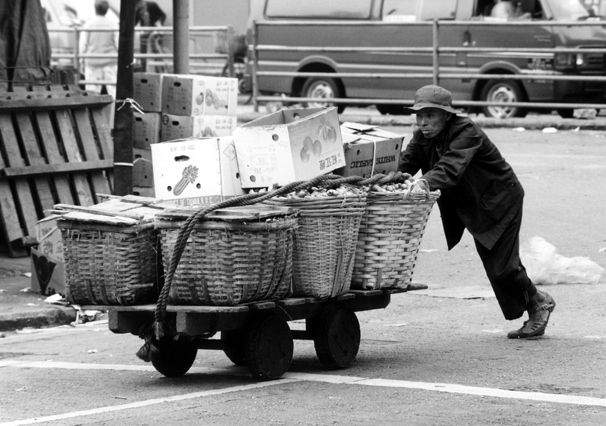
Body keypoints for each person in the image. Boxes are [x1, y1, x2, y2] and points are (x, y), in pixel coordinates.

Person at [399, 85, 556, 339]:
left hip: (501, 200)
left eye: (430, 115)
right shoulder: (422, 136)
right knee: (498, 266)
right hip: (475, 205)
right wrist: (378, 177)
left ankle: (539, 302)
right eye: (419, 116)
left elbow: (450, 167)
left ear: (447, 115)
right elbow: (405, 164)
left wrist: (423, 182)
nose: (423, 122)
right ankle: (537, 301)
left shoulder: (466, 131)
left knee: (503, 268)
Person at [78, 0, 118, 97]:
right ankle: (113, 111)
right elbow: (118, 44)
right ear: (107, 10)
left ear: (95, 8)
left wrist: (81, 60)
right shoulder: (113, 24)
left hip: (92, 63)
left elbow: (83, 45)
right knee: (113, 92)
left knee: (92, 93)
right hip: (110, 62)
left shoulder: (88, 24)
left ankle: (93, 112)